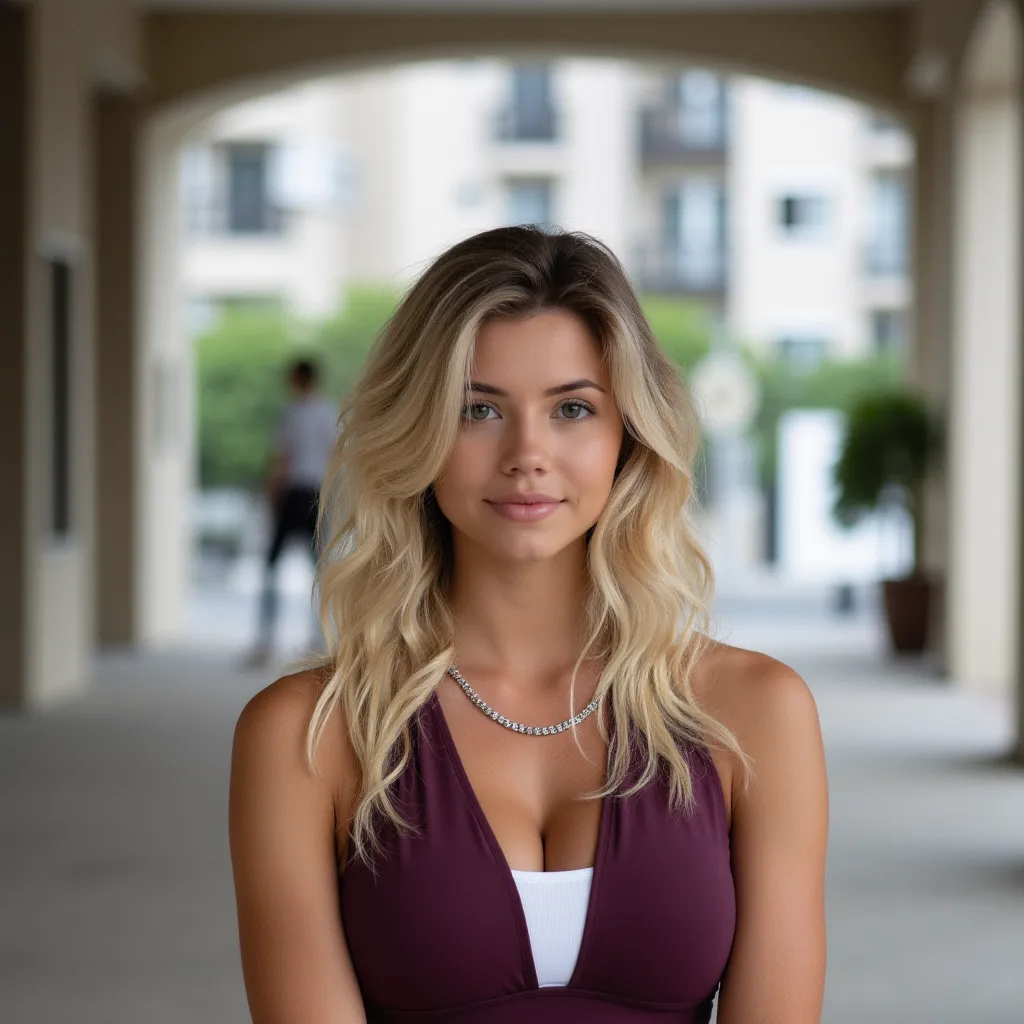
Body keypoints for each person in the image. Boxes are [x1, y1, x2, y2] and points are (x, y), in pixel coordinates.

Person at [229, 227, 829, 1023]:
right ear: (420, 431)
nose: (527, 453)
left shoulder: (754, 713)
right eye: (479, 409)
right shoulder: (306, 735)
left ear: (629, 435)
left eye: (572, 408)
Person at [245, 357, 337, 667]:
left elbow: (281, 458)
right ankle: (316, 640)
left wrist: (271, 497)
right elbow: (336, 458)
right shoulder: (327, 412)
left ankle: (269, 640)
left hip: (298, 493)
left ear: (299, 379)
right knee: (316, 571)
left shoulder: (294, 412)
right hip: (313, 493)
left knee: (279, 568)